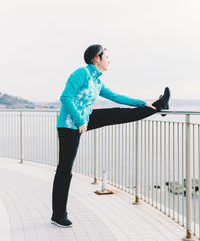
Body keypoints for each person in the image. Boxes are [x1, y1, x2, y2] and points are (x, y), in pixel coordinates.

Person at [51, 44, 170, 228]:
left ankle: (158, 105)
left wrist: (143, 103)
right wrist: (79, 121)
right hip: (69, 125)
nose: (109, 60)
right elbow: (66, 97)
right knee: (65, 169)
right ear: (96, 58)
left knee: (118, 113)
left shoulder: (97, 81)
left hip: (85, 119)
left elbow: (116, 97)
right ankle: (58, 215)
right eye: (106, 56)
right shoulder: (81, 73)